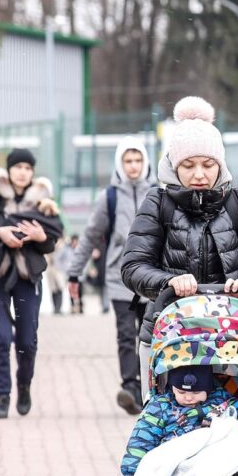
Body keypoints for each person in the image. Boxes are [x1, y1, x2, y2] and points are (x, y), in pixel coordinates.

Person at [120, 96, 238, 397]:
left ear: (219, 164)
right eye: (188, 165)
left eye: (207, 165)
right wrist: (169, 281)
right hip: (169, 334)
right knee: (165, 412)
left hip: (233, 336)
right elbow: (133, 266)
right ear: (173, 165)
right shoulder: (158, 203)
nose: (198, 174)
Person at [0, 148, 65, 419]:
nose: (22, 172)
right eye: (17, 167)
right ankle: (2, 396)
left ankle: (24, 385)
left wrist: (41, 238)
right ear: (8, 170)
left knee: (27, 342)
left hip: (28, 278)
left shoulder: (42, 201)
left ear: (33, 172)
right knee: (2, 336)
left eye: (28, 168)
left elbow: (53, 238)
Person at [67, 137, 156, 414]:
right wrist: (74, 272)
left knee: (151, 335)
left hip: (153, 278)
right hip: (121, 280)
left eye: (138, 160)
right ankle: (130, 387)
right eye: (128, 161)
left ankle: (150, 389)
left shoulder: (158, 193)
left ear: (146, 162)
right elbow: (92, 235)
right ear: (120, 164)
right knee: (125, 334)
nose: (133, 166)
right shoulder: (110, 197)